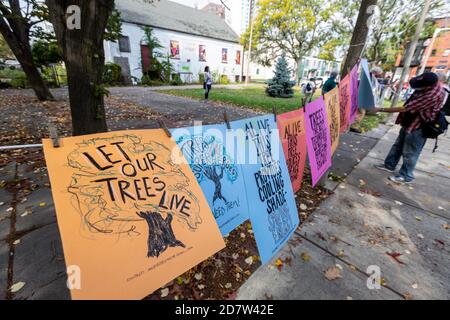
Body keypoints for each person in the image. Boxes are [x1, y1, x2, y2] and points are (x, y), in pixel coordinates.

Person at [373, 72, 445, 184]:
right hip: (410, 122)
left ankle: (406, 175)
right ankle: (389, 165)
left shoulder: (432, 95)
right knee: (398, 145)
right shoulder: (429, 82)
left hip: (419, 126)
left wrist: (380, 109)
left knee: (410, 152)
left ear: (427, 86)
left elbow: (405, 108)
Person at [350, 66, 383, 133]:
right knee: (361, 112)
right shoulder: (369, 77)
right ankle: (353, 126)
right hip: (362, 97)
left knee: (359, 112)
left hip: (361, 97)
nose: (378, 75)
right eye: (378, 74)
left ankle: (352, 125)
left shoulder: (368, 76)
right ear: (376, 72)